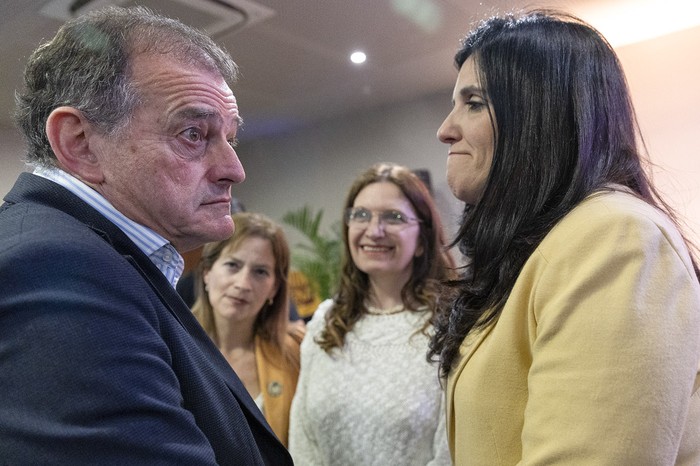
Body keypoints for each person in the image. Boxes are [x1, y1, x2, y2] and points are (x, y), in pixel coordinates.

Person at [0, 6, 292, 465]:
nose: (234, 169)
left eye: (229, 139)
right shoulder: (55, 271)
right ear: (79, 142)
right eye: (194, 134)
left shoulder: (96, 256)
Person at [429, 9, 700, 465]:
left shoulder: (614, 238)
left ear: (541, 112)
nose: (445, 129)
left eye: (473, 103)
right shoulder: (540, 246)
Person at [289, 162, 455, 465]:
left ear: (421, 240)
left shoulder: (450, 326)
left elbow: (451, 451)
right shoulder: (326, 322)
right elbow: (303, 442)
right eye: (361, 215)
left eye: (393, 217)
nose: (374, 230)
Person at [192, 212, 304, 447]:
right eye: (233, 265)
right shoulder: (168, 345)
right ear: (207, 272)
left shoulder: (297, 353)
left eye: (260, 272)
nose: (243, 284)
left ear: (274, 288)